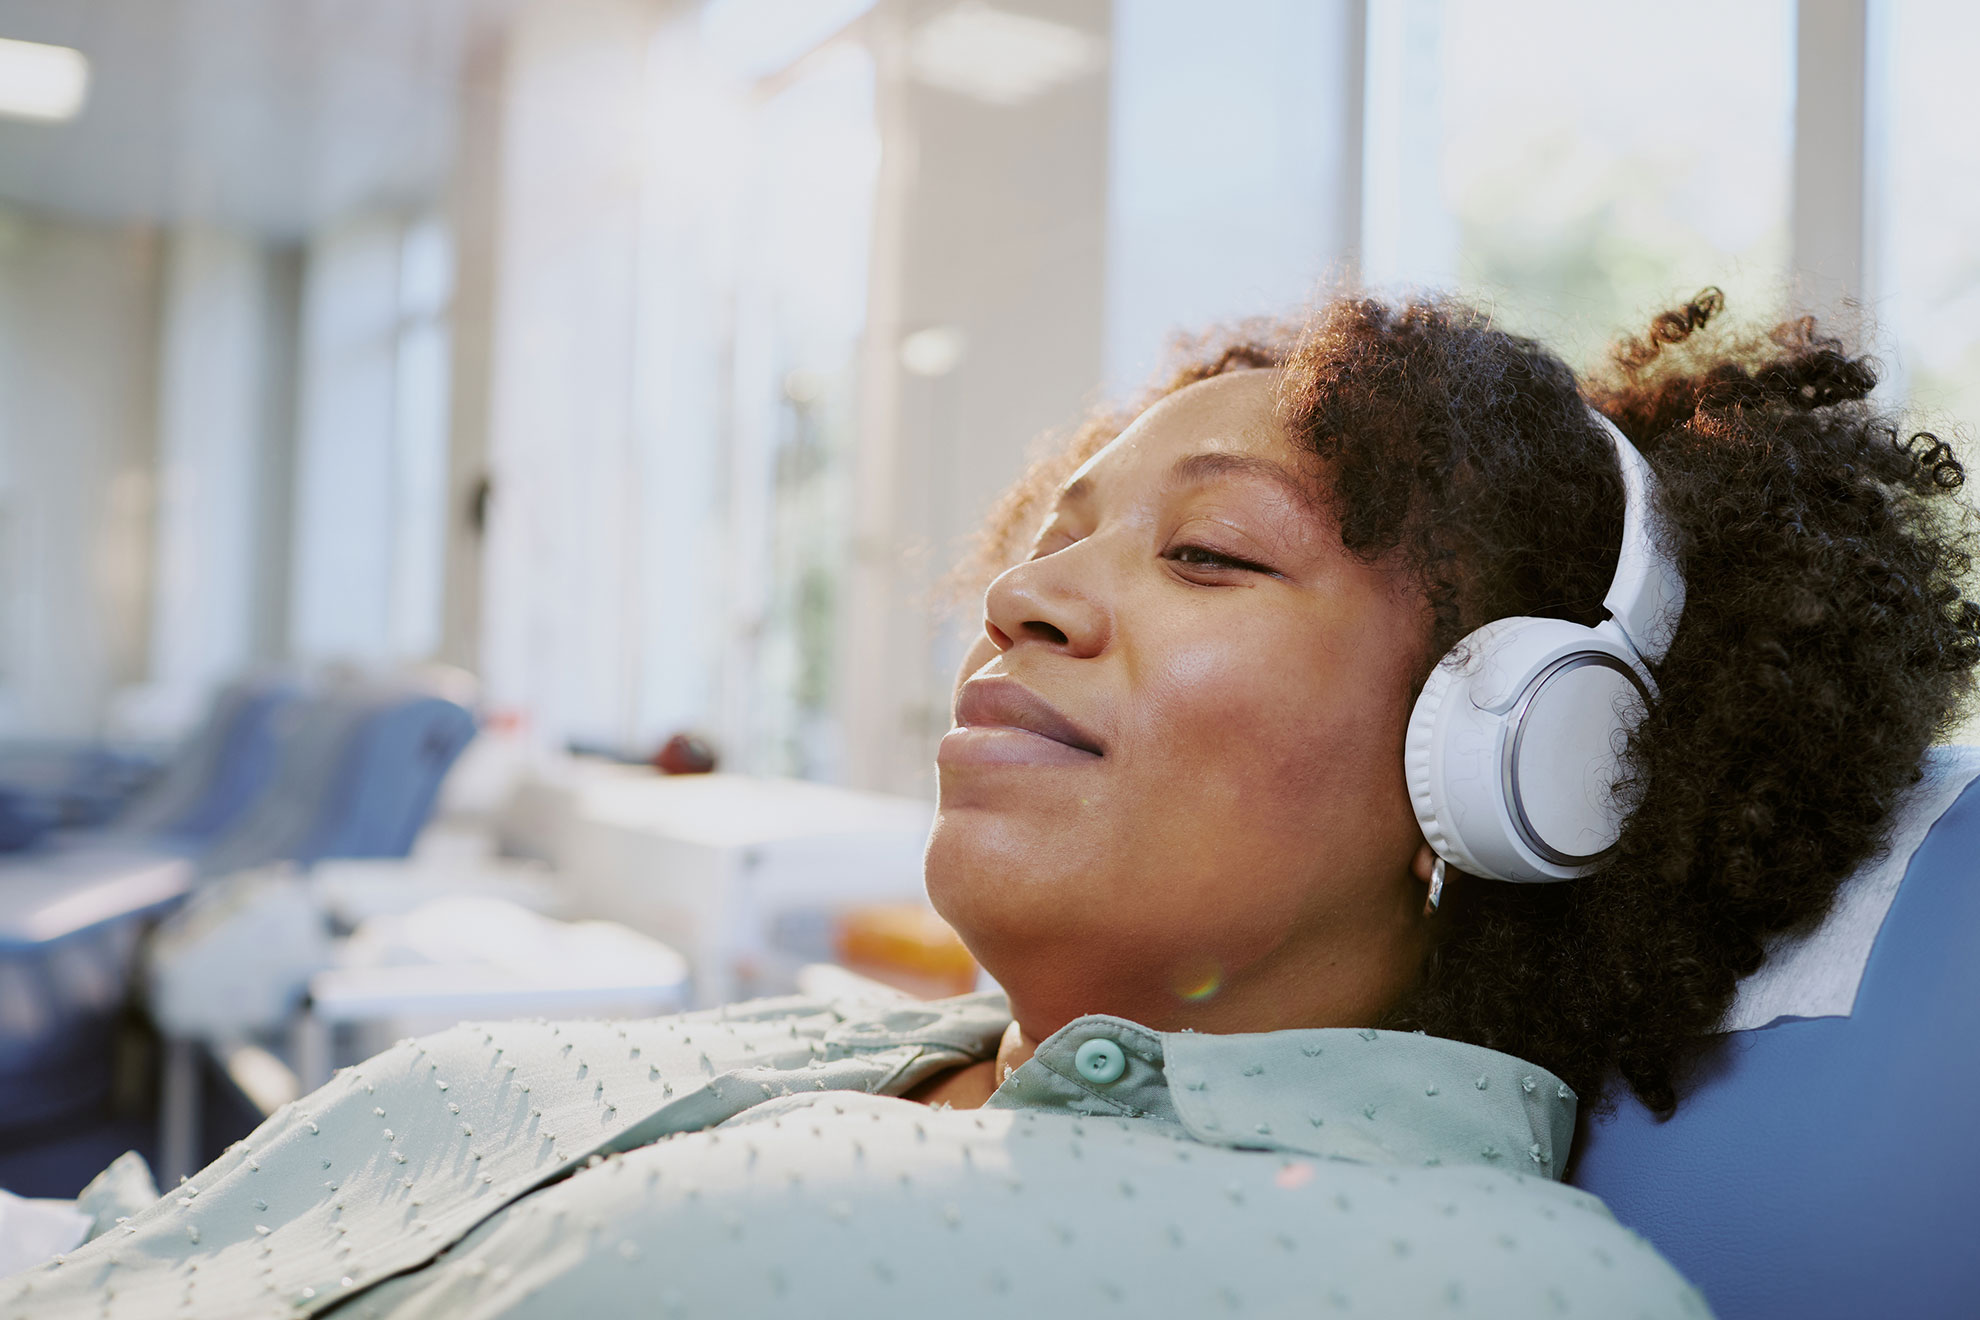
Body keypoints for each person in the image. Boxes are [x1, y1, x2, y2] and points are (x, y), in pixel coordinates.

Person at [8, 291, 1975, 1319]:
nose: (1021, 595)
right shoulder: (849, 1058)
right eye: (1049, 534)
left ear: (1525, 754)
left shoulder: (1484, 1287)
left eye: (1213, 557)